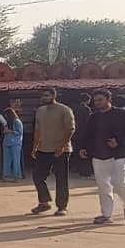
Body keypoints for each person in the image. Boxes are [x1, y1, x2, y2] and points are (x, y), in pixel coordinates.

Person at [77, 89, 125, 224]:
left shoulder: (121, 113)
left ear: (109, 100)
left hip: (119, 155)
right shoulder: (93, 117)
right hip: (99, 155)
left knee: (119, 182)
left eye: (101, 100)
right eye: (96, 101)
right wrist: (82, 148)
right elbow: (86, 134)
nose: (98, 103)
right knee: (103, 186)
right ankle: (106, 214)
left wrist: (119, 141)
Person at [31, 88, 76, 216]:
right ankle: (44, 202)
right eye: (42, 96)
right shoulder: (40, 111)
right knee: (38, 177)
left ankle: (62, 206)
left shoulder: (64, 109)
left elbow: (70, 129)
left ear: (53, 96)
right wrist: (35, 147)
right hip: (43, 148)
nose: (44, 98)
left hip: (61, 150)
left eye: (47, 95)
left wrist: (62, 145)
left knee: (61, 179)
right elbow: (37, 130)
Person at [72, 94, 93, 177]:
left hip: (76, 132)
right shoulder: (87, 109)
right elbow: (89, 122)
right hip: (85, 132)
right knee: (86, 152)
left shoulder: (74, 109)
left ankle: (79, 169)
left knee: (77, 151)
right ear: (87, 100)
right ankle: (86, 171)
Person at [1, 107, 24, 179]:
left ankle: (17, 174)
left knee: (16, 159)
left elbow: (20, 132)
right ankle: (6, 174)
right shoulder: (6, 123)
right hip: (6, 142)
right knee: (6, 159)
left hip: (15, 143)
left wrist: (11, 131)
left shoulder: (17, 121)